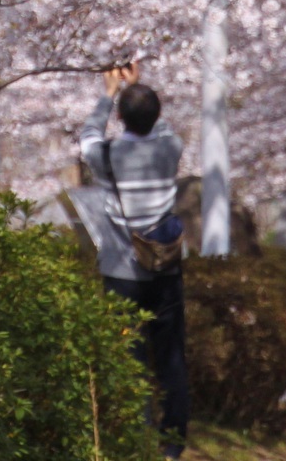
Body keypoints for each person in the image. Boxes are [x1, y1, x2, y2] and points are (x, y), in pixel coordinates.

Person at [79, 62, 189, 458]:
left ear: (121, 117)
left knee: (131, 359)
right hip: (165, 269)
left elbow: (88, 135)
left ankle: (139, 439)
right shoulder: (170, 148)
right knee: (172, 357)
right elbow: (161, 126)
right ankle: (172, 444)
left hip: (121, 273)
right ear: (157, 115)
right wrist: (137, 87)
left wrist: (109, 94)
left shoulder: (105, 157)